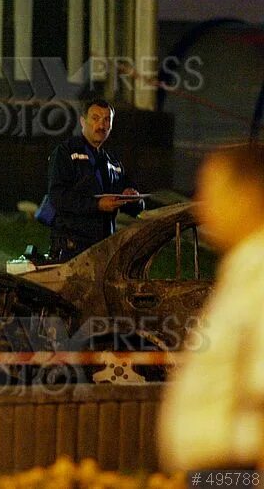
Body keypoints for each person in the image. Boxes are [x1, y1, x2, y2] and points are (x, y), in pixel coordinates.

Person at [159, 144, 264, 470]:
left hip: (238, 471)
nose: (203, 207)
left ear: (248, 194)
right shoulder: (244, 268)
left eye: (212, 192)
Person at [45, 99, 144, 260]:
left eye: (107, 120)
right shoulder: (66, 152)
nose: (101, 125)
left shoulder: (113, 161)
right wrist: (97, 205)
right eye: (95, 118)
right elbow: (57, 197)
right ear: (82, 121)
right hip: (73, 247)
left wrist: (133, 199)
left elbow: (135, 208)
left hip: (105, 247)